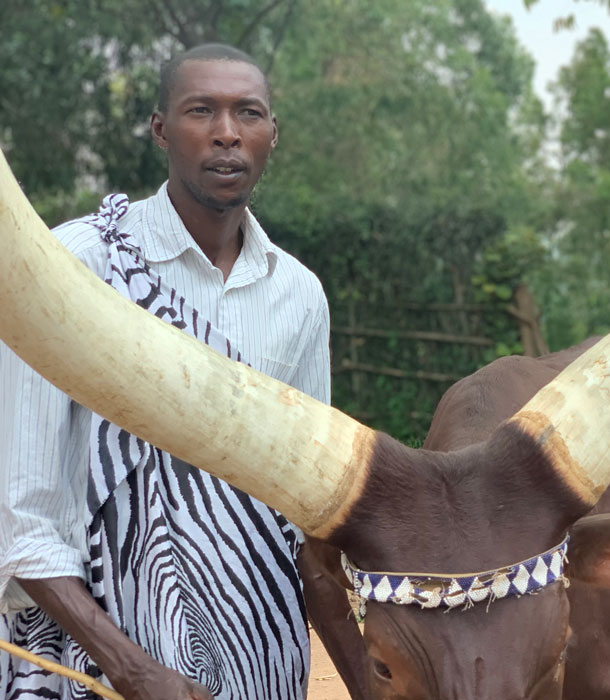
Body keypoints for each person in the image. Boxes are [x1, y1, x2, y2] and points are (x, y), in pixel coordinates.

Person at [0, 44, 366, 699]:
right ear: (161, 128)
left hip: (263, 660)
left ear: (272, 135)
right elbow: (22, 520)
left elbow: (303, 521)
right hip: (97, 666)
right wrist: (134, 669)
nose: (228, 132)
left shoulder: (300, 295)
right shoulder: (75, 268)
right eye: (203, 110)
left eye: (248, 113)